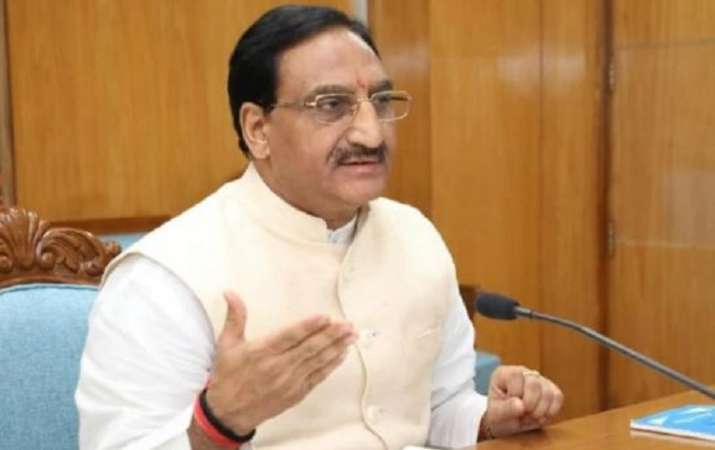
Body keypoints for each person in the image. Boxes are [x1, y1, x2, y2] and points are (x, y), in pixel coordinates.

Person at [76, 5, 563, 450]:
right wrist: (220, 421)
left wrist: (490, 419)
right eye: (331, 105)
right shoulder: (165, 275)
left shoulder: (415, 235)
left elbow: (438, 407)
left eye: (380, 100)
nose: (371, 132)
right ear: (257, 130)